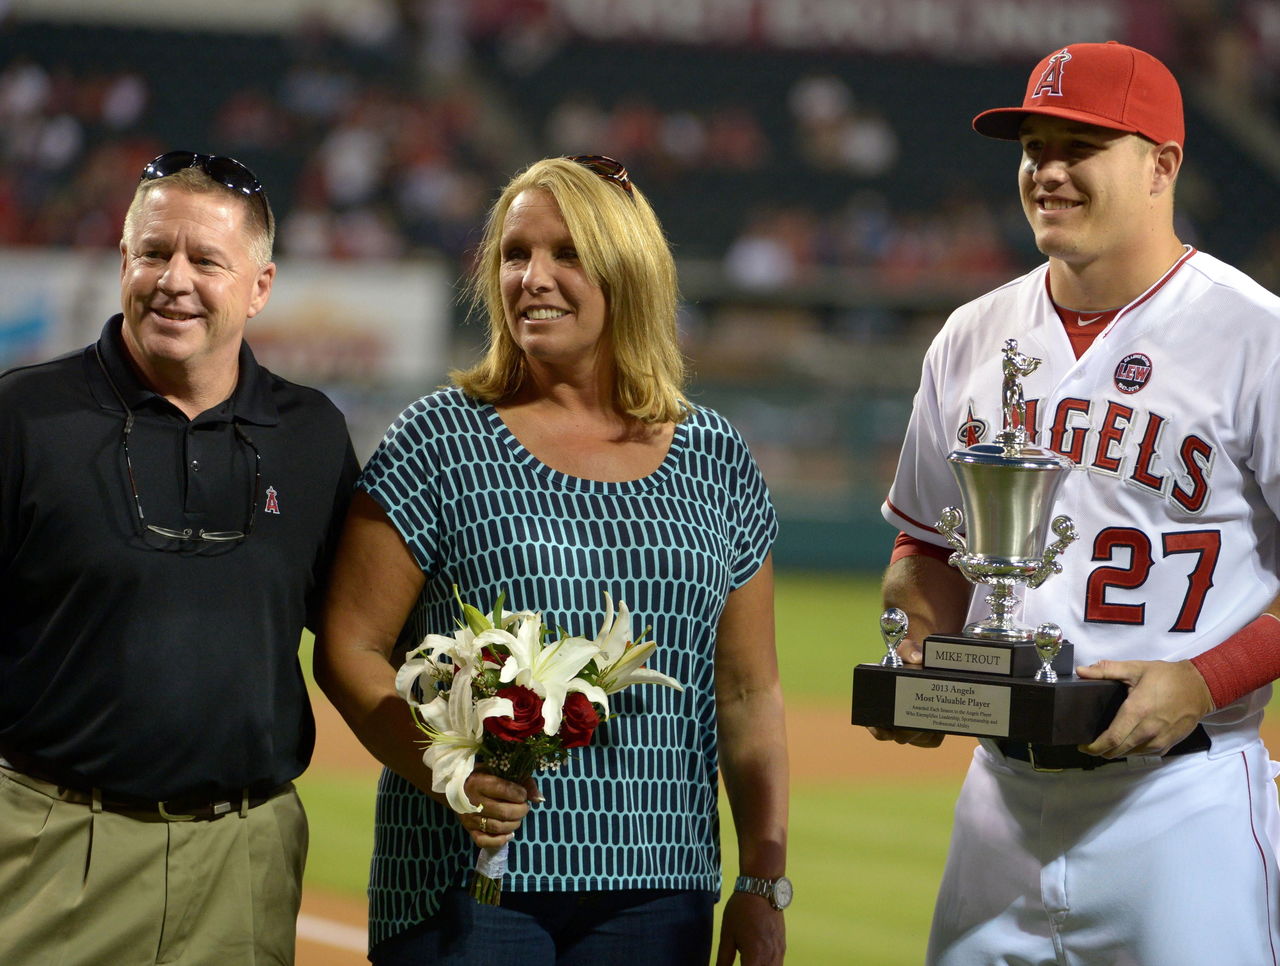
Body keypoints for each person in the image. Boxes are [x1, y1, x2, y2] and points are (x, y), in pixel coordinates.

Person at [314, 154, 789, 965]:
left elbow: (748, 692)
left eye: (567, 253)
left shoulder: (716, 455)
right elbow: (348, 648)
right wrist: (445, 772)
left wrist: (762, 881)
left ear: (628, 272)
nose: (534, 277)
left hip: (660, 893)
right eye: (514, 254)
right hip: (463, 887)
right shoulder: (439, 439)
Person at [876, 42, 1280, 964]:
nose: (1047, 171)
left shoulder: (1256, 337)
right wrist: (916, 652)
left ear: (1161, 165)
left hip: (1180, 806)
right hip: (998, 804)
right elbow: (929, 546)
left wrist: (1207, 679)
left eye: (1081, 145)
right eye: (1033, 147)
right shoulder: (972, 335)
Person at [0, 151, 359, 964]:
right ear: (124, 261)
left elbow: (360, 634)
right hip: (47, 849)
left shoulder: (311, 437)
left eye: (206, 260)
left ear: (260, 286)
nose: (174, 280)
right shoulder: (24, 416)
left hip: (244, 859)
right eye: (155, 253)